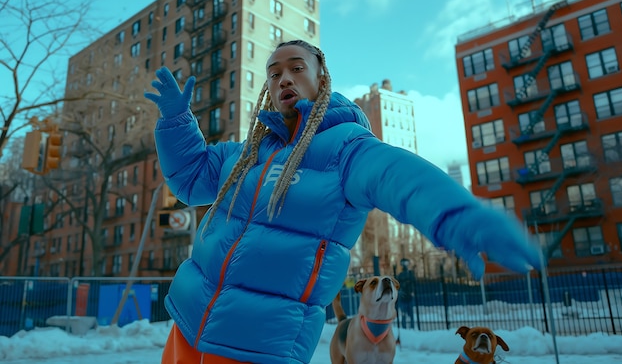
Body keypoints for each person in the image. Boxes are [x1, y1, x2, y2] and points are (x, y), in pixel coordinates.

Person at [145, 39, 541, 364]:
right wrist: (177, 121)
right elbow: (191, 179)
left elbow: (396, 174)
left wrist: (456, 215)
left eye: (297, 67)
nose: (285, 77)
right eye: (275, 72)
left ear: (322, 78)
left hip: (256, 342)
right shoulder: (246, 152)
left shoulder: (346, 148)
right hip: (187, 323)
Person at [396, 259, 415, 329]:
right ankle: (405, 328)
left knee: (410, 314)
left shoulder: (410, 274)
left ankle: (411, 328)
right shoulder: (401, 275)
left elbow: (413, 281)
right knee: (404, 315)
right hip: (403, 297)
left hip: (409, 296)